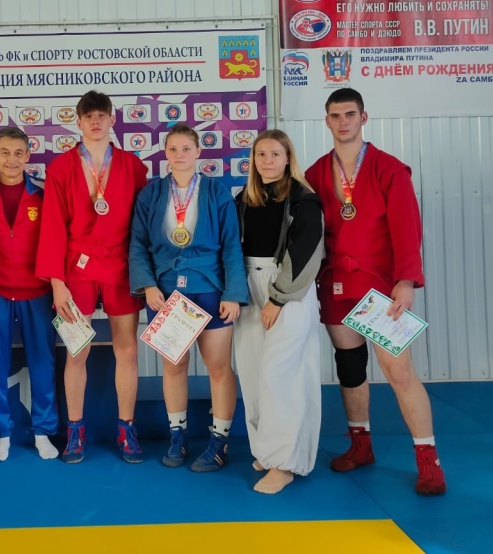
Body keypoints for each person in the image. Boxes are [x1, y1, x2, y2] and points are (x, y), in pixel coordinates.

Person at [305, 87, 446, 495]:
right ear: (327, 121)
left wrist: (406, 281)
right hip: (335, 283)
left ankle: (428, 459)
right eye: (335, 115)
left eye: (350, 114)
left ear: (363, 118)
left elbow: (407, 228)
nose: (343, 122)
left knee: (399, 372)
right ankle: (360, 445)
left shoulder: (389, 169)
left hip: (380, 285)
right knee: (350, 368)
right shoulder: (315, 173)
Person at [36, 90, 148, 464]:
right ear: (79, 122)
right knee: (76, 351)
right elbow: (52, 226)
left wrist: (146, 275)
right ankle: (75, 430)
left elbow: (142, 226)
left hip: (120, 267)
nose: (96, 122)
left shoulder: (133, 166)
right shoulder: (61, 167)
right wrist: (56, 282)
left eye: (102, 115)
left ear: (113, 119)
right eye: (89, 116)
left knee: (127, 350)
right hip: (77, 269)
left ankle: (126, 428)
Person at [129, 124, 248, 472]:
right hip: (166, 291)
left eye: (186, 148)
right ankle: (177, 435)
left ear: (198, 151)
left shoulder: (216, 192)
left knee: (218, 367)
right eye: (173, 149)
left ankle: (219, 440)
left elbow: (232, 246)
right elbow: (138, 244)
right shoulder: (151, 194)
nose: (179, 155)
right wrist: (148, 285)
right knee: (174, 366)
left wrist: (233, 293)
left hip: (210, 287)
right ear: (165, 154)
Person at [234, 129, 324, 494]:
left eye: (275, 154)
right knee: (253, 372)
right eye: (261, 155)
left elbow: (305, 253)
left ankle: (284, 463)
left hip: (287, 288)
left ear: (288, 159)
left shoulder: (304, 199)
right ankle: (266, 450)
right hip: (248, 284)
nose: (268, 161)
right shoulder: (245, 198)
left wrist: (278, 298)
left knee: (280, 375)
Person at [0, 127, 59, 461]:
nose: (11, 159)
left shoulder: (45, 193)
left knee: (43, 363)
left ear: (28, 155)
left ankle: (43, 432)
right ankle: (1, 434)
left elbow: (57, 241)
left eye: (18, 153)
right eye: (4, 152)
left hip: (38, 292)